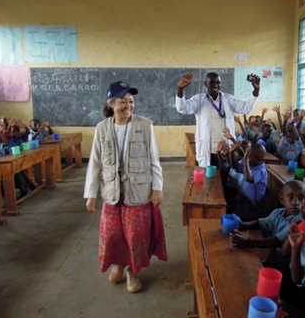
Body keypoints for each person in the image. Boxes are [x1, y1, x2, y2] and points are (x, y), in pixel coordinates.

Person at [84, 81, 167, 293]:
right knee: (112, 234)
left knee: (135, 236)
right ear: (112, 104)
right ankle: (118, 263)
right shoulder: (102, 129)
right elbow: (94, 162)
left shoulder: (145, 125)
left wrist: (157, 188)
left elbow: (154, 160)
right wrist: (91, 194)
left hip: (138, 191)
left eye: (131, 101)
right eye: (123, 102)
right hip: (112, 192)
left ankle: (132, 270)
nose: (128, 106)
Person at [230, 180, 305, 311]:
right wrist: (243, 224)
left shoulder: (300, 222)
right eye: (291, 197)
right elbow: (262, 223)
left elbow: (276, 241)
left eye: (301, 198)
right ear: (281, 198)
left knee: (279, 301)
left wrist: (247, 243)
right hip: (274, 262)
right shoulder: (279, 213)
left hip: (289, 272)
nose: (296, 202)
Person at [175, 72, 260, 167]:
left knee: (226, 177)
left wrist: (256, 90)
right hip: (208, 149)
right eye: (211, 83)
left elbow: (246, 108)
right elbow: (183, 108)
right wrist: (180, 89)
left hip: (225, 149)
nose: (215, 85)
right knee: (208, 178)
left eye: (217, 82)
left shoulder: (228, 99)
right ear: (205, 84)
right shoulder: (199, 100)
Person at [225, 142, 267, 220]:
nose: (246, 158)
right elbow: (235, 166)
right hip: (244, 203)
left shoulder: (261, 171)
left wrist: (245, 160)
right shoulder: (251, 166)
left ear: (259, 159)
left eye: (248, 157)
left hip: (253, 209)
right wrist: (233, 152)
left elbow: (249, 179)